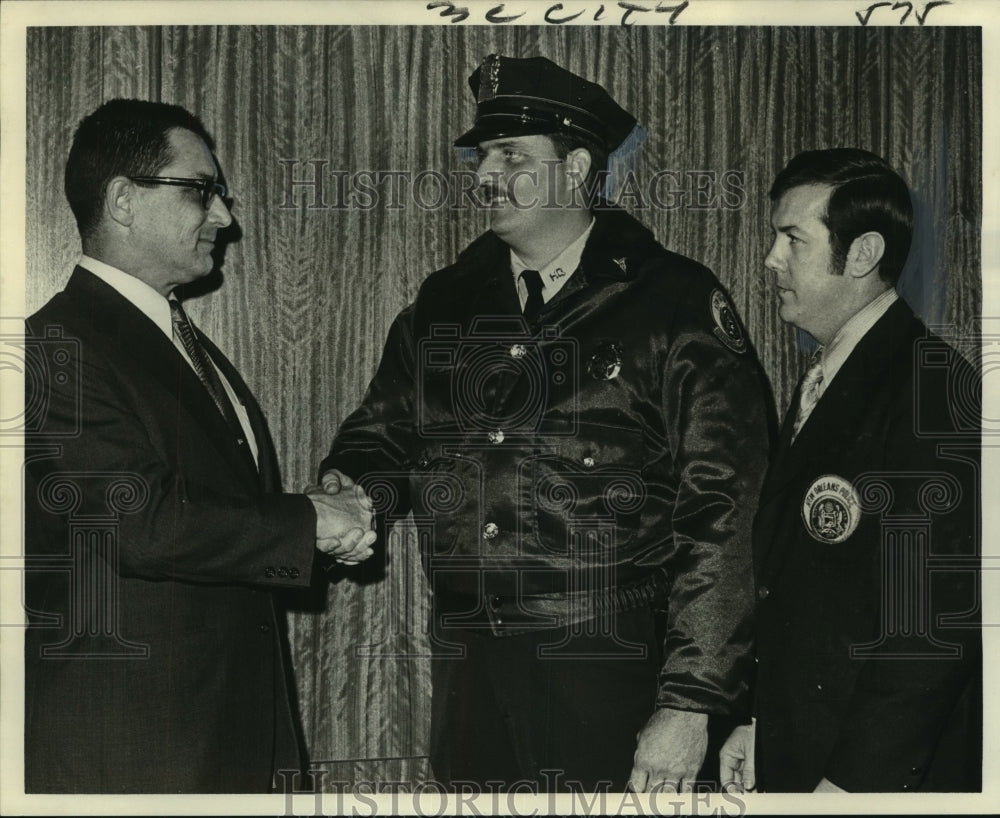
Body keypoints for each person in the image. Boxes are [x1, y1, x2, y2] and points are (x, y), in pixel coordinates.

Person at [319, 54, 772, 792]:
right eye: (482, 157)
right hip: (470, 676)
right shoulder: (447, 303)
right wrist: (353, 488)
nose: (486, 175)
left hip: (613, 670)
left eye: (513, 157)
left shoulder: (672, 302)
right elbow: (384, 434)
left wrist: (691, 701)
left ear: (578, 167)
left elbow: (728, 510)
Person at [23, 98, 376, 793]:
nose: (225, 217)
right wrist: (305, 522)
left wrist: (318, 533)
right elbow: (138, 522)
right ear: (124, 200)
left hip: (227, 737)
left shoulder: (174, 338)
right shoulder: (53, 349)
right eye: (201, 191)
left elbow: (213, 518)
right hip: (137, 753)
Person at [720, 148, 982, 793]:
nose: (770, 260)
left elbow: (933, 623)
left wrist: (854, 785)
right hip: (804, 748)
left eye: (791, 239)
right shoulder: (826, 374)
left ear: (861, 255)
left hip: (865, 777)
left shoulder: (929, 386)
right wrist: (759, 719)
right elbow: (795, 584)